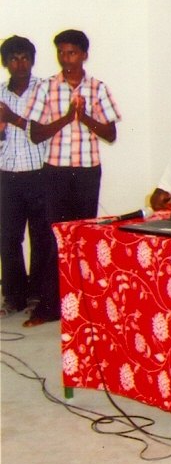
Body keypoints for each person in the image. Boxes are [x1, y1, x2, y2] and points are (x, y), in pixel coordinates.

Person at [25, 29, 120, 327]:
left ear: (84, 55)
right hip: (55, 172)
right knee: (54, 238)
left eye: (72, 53)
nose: (66, 59)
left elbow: (111, 135)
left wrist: (84, 117)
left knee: (83, 238)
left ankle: (83, 307)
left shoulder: (98, 88)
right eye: (61, 53)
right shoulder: (46, 87)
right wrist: (67, 118)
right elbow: (35, 134)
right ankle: (50, 307)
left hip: (87, 172)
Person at [0, 36, 56, 323]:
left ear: (32, 60)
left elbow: (47, 130)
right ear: (5, 62)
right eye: (14, 58)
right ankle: (13, 296)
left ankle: (38, 295)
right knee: (8, 237)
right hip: (6, 175)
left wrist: (12, 118)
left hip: (39, 173)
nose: (20, 64)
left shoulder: (45, 89)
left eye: (25, 58)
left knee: (41, 237)